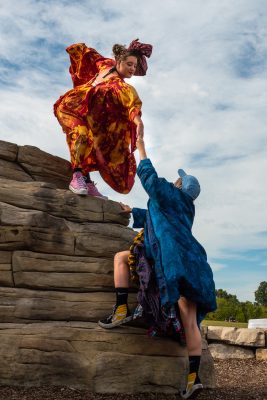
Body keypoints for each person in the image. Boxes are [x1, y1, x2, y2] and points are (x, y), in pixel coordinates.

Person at [98, 134, 217, 399]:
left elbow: (149, 179)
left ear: (179, 185)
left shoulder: (170, 195)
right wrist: (133, 212)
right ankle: (193, 379)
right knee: (190, 322)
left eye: (178, 180)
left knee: (120, 258)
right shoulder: (185, 207)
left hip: (175, 263)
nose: (174, 181)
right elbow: (157, 218)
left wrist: (139, 143)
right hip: (197, 266)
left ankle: (120, 310)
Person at [54, 39, 152, 198]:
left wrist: (138, 121)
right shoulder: (105, 64)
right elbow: (89, 55)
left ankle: (86, 180)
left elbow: (132, 104)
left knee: (96, 139)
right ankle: (77, 175)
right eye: (129, 64)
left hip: (85, 115)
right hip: (70, 106)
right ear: (118, 61)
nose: (132, 69)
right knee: (82, 134)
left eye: (135, 66)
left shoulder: (122, 87)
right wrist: (79, 49)